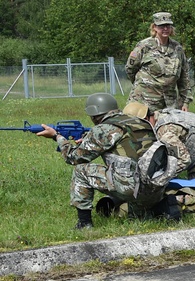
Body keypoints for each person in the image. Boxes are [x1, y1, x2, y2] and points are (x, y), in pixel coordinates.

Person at [34, 93, 177, 229]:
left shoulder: (104, 128)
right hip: (156, 186)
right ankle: (159, 208)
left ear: (94, 114)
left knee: (80, 171)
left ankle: (84, 224)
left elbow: (73, 158)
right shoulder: (139, 122)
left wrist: (57, 137)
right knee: (137, 217)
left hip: (132, 189)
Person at [122, 101, 195, 182]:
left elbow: (183, 159)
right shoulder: (162, 115)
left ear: (144, 120)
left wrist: (160, 179)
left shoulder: (164, 131)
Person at [125, 11, 193, 113]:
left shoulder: (177, 48)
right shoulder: (144, 46)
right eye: (161, 26)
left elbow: (184, 77)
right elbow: (130, 69)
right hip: (143, 102)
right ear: (155, 28)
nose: (165, 29)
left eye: (168, 26)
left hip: (169, 105)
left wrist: (185, 102)